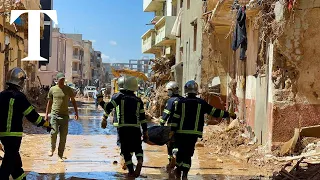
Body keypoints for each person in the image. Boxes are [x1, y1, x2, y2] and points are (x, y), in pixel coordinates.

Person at [170, 80, 237, 179]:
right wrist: (229, 114)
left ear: (186, 90)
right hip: (193, 133)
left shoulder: (180, 102)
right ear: (196, 90)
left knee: (181, 151)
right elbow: (214, 112)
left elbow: (175, 118)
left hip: (180, 132)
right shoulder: (201, 103)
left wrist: (172, 131)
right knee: (188, 153)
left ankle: (178, 167)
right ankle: (185, 174)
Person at [0, 67, 52, 179]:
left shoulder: (1, 95)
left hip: (3, 136)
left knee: (15, 165)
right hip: (14, 136)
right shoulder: (20, 97)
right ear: (20, 81)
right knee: (7, 165)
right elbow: (32, 116)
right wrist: (45, 124)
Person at [98, 76, 148, 177]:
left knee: (125, 150)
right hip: (136, 128)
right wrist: (145, 131)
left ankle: (130, 171)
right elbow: (143, 118)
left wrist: (101, 102)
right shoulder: (138, 100)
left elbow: (108, 107)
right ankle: (140, 161)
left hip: (123, 128)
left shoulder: (119, 96)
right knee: (138, 148)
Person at [45, 72, 79, 162]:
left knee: (63, 137)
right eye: (61, 79)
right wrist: (46, 115)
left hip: (65, 116)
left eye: (63, 79)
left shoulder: (68, 89)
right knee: (53, 132)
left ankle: (60, 155)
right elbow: (49, 102)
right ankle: (52, 149)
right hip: (54, 115)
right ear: (57, 80)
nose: (62, 81)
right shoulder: (52, 89)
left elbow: (73, 101)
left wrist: (76, 113)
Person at [159, 81, 183, 171]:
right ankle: (178, 163)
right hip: (182, 127)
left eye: (168, 90)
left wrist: (161, 124)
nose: (167, 92)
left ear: (172, 91)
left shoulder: (171, 100)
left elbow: (166, 113)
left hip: (171, 126)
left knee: (169, 144)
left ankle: (170, 162)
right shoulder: (183, 100)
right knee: (178, 144)